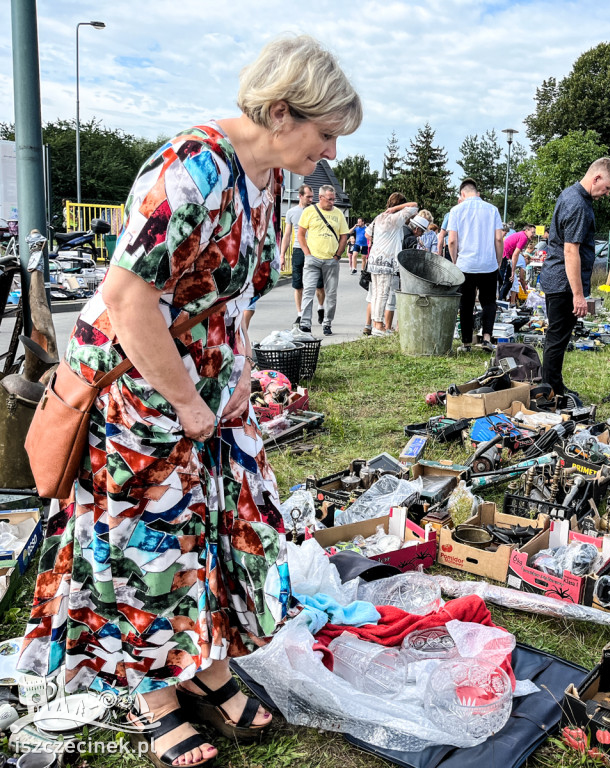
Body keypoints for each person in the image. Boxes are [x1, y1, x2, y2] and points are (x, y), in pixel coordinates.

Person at [18, 35, 361, 768]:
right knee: (149, 548)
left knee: (218, 531)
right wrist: (189, 403)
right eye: (324, 133)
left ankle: (204, 666)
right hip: (139, 390)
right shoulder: (190, 168)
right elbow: (126, 297)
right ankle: (155, 700)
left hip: (205, 385)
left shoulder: (270, 179)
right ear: (278, 111)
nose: (329, 152)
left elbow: (230, 293)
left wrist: (235, 371)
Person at [539, 157, 610, 397]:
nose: (606, 194)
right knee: (557, 338)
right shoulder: (578, 204)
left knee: (558, 338)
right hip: (564, 282)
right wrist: (578, 295)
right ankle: (550, 391)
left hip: (557, 278)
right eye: (607, 188)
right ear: (596, 178)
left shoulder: (570, 195)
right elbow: (571, 250)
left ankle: (553, 385)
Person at [447, 178, 504, 353]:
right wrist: (498, 260)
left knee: (466, 303)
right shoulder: (492, 209)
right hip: (488, 263)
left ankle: (466, 343)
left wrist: (455, 261)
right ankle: (487, 338)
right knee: (489, 302)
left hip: (465, 264)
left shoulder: (456, 210)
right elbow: (499, 238)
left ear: (462, 194)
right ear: (476, 192)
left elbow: (451, 241)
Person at [297, 185, 348, 336]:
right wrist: (307, 253)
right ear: (320, 198)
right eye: (330, 199)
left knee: (331, 294)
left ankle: (327, 323)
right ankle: (305, 324)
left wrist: (338, 255)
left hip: (331, 260)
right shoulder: (309, 212)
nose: (332, 202)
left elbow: (344, 235)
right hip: (313, 259)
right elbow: (300, 234)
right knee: (308, 291)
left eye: (334, 199)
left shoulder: (338, 214)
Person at [367, 193, 418, 336]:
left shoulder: (379, 217)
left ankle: (376, 322)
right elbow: (414, 206)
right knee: (382, 294)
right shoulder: (396, 218)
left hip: (374, 259)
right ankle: (378, 325)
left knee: (376, 293)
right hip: (386, 260)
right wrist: (399, 208)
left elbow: (367, 233)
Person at [281, 185, 324, 329]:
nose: (311, 199)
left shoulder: (317, 211)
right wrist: (282, 255)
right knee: (298, 285)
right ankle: (300, 314)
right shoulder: (291, 212)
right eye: (308, 197)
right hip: (299, 250)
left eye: (313, 197)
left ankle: (321, 307)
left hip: (315, 251)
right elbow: (287, 235)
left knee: (319, 285)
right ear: (300, 196)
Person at [501, 223, 535, 300]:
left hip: (504, 256)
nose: (534, 234)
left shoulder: (521, 234)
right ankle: (500, 302)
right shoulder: (524, 238)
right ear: (527, 230)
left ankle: (501, 301)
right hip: (504, 256)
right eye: (532, 232)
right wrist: (513, 272)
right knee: (507, 281)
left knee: (508, 282)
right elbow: (515, 254)